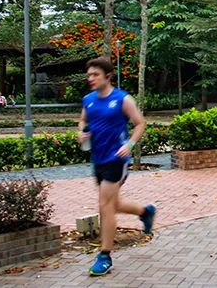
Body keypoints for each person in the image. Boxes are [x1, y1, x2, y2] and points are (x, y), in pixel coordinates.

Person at [78, 57, 156, 277]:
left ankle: (105, 256)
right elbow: (83, 120)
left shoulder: (122, 99)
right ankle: (145, 212)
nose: (91, 78)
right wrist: (81, 131)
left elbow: (140, 124)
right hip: (98, 158)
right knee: (113, 204)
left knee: (105, 206)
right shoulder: (88, 100)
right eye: (89, 75)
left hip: (116, 159)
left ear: (108, 76)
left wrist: (129, 145)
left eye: (95, 75)